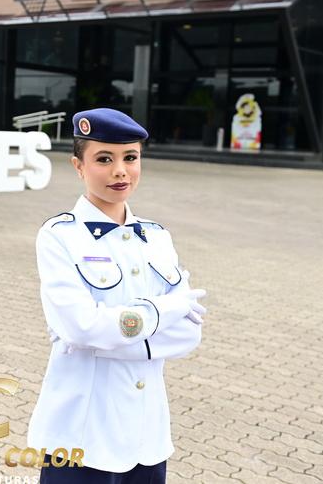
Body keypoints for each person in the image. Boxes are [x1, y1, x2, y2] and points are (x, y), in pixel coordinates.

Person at [27, 108, 207, 484]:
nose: (120, 171)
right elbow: (81, 328)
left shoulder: (157, 237)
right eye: (104, 159)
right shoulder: (60, 236)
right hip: (81, 434)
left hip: (147, 436)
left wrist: (102, 338)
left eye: (131, 157)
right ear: (78, 166)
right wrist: (164, 309)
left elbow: (189, 333)